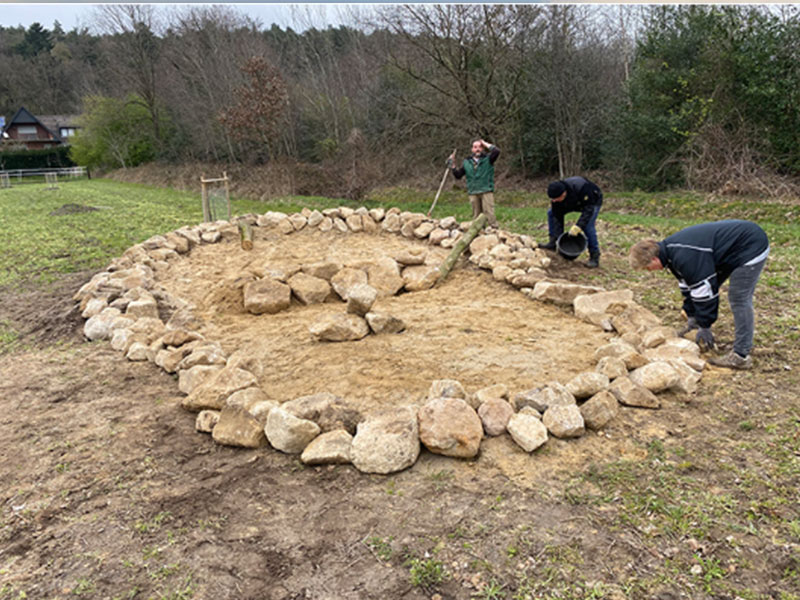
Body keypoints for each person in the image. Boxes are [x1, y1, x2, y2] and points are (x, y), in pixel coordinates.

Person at [628, 219, 769, 370]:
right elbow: (689, 286)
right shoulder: (669, 253)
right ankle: (696, 326)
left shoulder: (685, 256)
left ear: (654, 259)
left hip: (749, 244)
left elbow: (703, 290)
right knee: (706, 285)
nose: (649, 271)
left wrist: (705, 325)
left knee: (739, 298)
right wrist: (692, 319)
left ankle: (741, 355)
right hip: (728, 249)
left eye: (647, 267)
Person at [540, 176, 603, 268]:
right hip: (572, 202)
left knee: (588, 226)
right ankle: (552, 243)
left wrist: (579, 226)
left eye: (556, 198)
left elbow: (588, 210)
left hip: (592, 201)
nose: (554, 201)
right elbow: (557, 216)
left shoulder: (582, 187)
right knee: (551, 213)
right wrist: (559, 238)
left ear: (563, 193)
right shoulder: (556, 198)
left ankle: (594, 255)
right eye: (553, 199)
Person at [449, 139, 500, 227]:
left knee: (489, 214)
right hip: (473, 191)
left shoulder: (488, 159)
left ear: (483, 148)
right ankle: (479, 232)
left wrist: (485, 143)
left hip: (486, 190)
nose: (477, 149)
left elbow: (497, 151)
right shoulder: (467, 162)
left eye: (480, 147)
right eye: (475, 147)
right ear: (472, 149)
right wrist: (452, 166)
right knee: (476, 216)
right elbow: (458, 175)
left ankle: (494, 230)